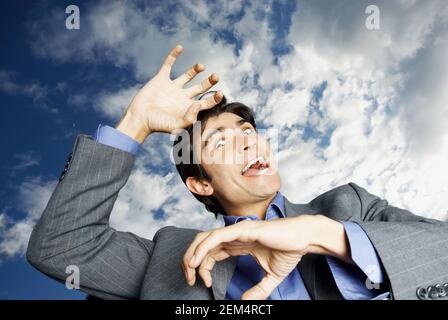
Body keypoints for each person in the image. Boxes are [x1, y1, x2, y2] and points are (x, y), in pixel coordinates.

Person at [27, 45, 448, 300]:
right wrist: (135, 122)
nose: (246, 141)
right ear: (200, 182)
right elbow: (59, 248)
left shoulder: (347, 207)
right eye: (220, 143)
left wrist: (322, 235)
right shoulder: (172, 257)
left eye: (247, 131)